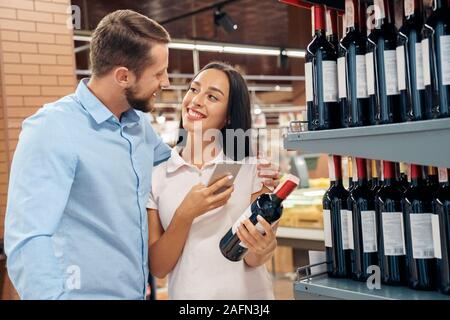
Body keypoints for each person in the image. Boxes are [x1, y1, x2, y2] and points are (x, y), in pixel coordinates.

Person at [4, 10, 279, 300]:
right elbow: (28, 240)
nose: (166, 83)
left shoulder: (139, 129)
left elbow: (185, 160)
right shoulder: (52, 128)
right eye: (158, 73)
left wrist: (253, 165)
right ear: (123, 76)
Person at [147, 62, 279, 300]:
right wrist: (185, 213)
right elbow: (159, 268)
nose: (196, 100)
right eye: (194, 89)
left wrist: (264, 248)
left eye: (212, 97)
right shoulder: (157, 176)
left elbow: (252, 258)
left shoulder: (251, 170)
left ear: (229, 116)